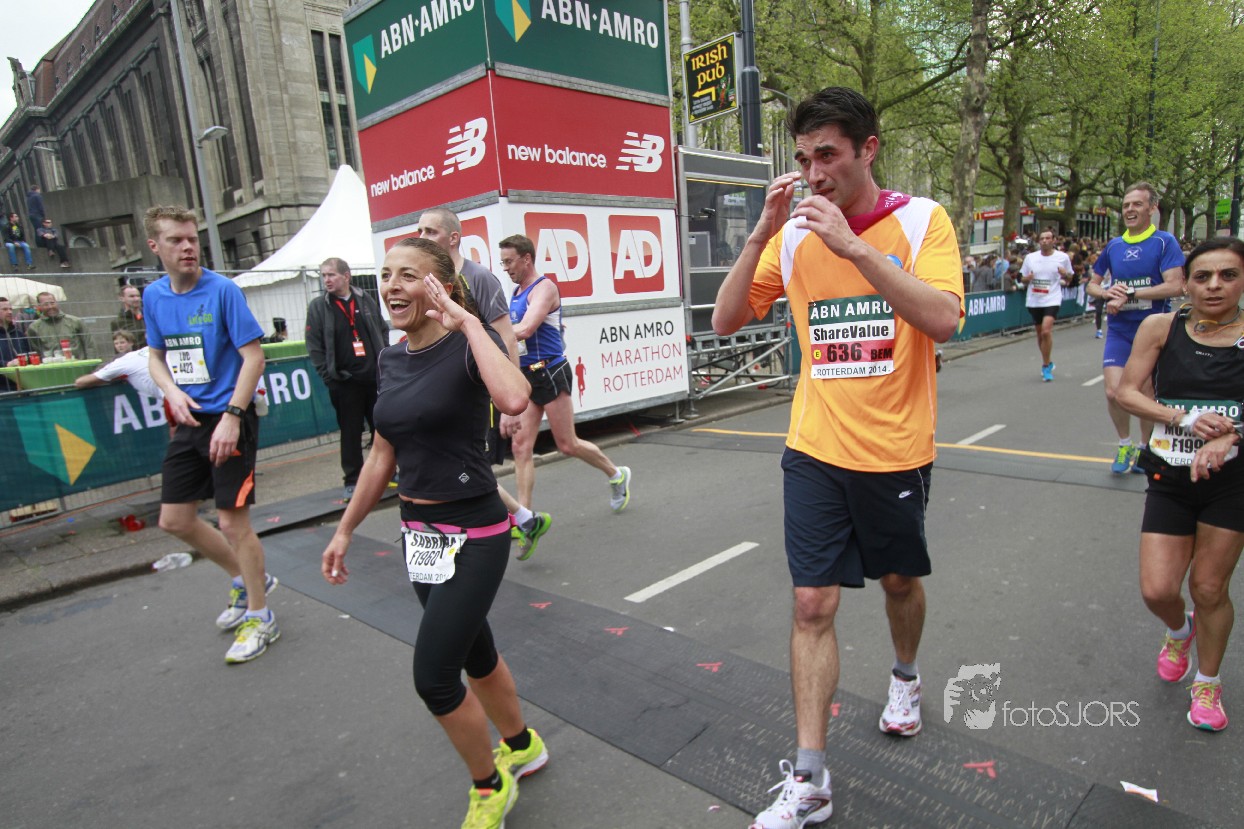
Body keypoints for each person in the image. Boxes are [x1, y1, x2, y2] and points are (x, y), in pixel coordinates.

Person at [711, 86, 962, 828]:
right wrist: (759, 236)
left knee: (898, 580)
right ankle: (810, 775)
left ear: (867, 149)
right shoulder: (792, 237)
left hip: (895, 451)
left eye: (828, 155)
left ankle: (905, 675)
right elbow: (726, 319)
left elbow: (944, 318)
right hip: (814, 448)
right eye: (803, 159)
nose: (814, 174)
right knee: (811, 603)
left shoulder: (923, 220)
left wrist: (853, 245)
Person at [320, 238, 547, 829]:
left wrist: (467, 321)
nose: (392, 287)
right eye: (385, 275)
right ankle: (522, 746)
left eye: (408, 276)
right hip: (419, 534)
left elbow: (515, 398)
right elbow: (382, 455)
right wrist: (345, 530)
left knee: (434, 677)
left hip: (475, 531)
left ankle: (489, 785)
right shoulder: (390, 360)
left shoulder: (470, 344)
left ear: (439, 287)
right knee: (475, 652)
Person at [1115, 237, 1244, 732]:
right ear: (1186, 283)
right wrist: (1184, 418)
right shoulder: (1160, 327)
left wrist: (1233, 434)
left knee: (1209, 587)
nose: (1214, 286)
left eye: (1228, 275)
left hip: (1232, 481)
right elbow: (1127, 392)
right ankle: (1178, 629)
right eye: (1203, 276)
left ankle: (1207, 684)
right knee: (1157, 589)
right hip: (1170, 474)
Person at [142, 205, 279, 664]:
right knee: (174, 519)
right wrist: (171, 392)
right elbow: (155, 357)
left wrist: (233, 416)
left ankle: (260, 615)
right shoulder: (154, 296)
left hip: (230, 415)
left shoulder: (222, 291)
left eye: (192, 239)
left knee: (232, 522)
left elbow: (254, 357)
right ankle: (246, 579)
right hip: (190, 420)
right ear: (155, 246)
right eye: (176, 240)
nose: (188, 247)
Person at [413, 208, 545, 559]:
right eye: (419, 231)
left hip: (477, 394)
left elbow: (507, 337)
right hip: (441, 392)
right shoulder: (425, 280)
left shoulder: (479, 278)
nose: (422, 237)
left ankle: (500, 531)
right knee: (459, 467)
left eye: (431, 231)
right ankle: (522, 520)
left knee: (470, 468)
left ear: (453, 238)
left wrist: (511, 405)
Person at [501, 234, 633, 533]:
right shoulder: (516, 292)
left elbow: (526, 328)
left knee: (567, 444)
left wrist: (488, 335)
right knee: (520, 446)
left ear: (526, 259)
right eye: (503, 263)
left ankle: (616, 474)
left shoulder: (544, 288)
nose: (506, 268)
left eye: (509, 262)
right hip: (527, 376)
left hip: (550, 371)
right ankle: (525, 518)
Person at [1088, 182, 1185, 473]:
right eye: (1126, 205)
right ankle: (1124, 444)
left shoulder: (1164, 242)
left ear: (1152, 208)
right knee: (1113, 392)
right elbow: (1092, 284)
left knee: (1144, 394)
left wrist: (1131, 294)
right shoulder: (1114, 246)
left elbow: (1175, 285)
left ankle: (1145, 447)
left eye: (1137, 204)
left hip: (1153, 330)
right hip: (1120, 329)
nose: (1130, 210)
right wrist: (1107, 293)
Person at [305, 257, 388, 501]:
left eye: (331, 275)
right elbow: (314, 346)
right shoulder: (319, 307)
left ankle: (387, 472)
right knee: (350, 432)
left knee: (382, 428)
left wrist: (383, 359)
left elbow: (381, 329)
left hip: (372, 377)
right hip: (344, 382)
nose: (327, 280)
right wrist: (329, 376)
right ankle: (353, 480)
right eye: (324, 276)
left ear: (346, 276)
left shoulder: (364, 299)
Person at [1020, 229, 1073, 382]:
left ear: (1053, 240)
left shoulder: (1062, 257)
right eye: (1042, 238)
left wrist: (1065, 274)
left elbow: (1070, 277)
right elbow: (1022, 278)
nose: (1044, 241)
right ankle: (1048, 361)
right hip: (1034, 299)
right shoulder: (1030, 258)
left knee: (1046, 331)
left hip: (1052, 298)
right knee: (1040, 334)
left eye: (1048, 238)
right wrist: (1028, 278)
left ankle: (1045, 366)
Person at [26, 291, 92, 360]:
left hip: (79, 364)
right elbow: (37, 351)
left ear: (56, 303)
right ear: (39, 306)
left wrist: (91, 364)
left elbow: (90, 346)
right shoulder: (34, 327)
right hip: (52, 365)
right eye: (46, 304)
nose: (50, 307)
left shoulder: (75, 322)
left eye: (52, 303)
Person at [0, 297, 31, 391]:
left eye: (10, 309)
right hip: (2, 388)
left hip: (24, 385)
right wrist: (7, 364)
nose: (10, 312)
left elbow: (29, 353)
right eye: (5, 309)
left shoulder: (19, 334)